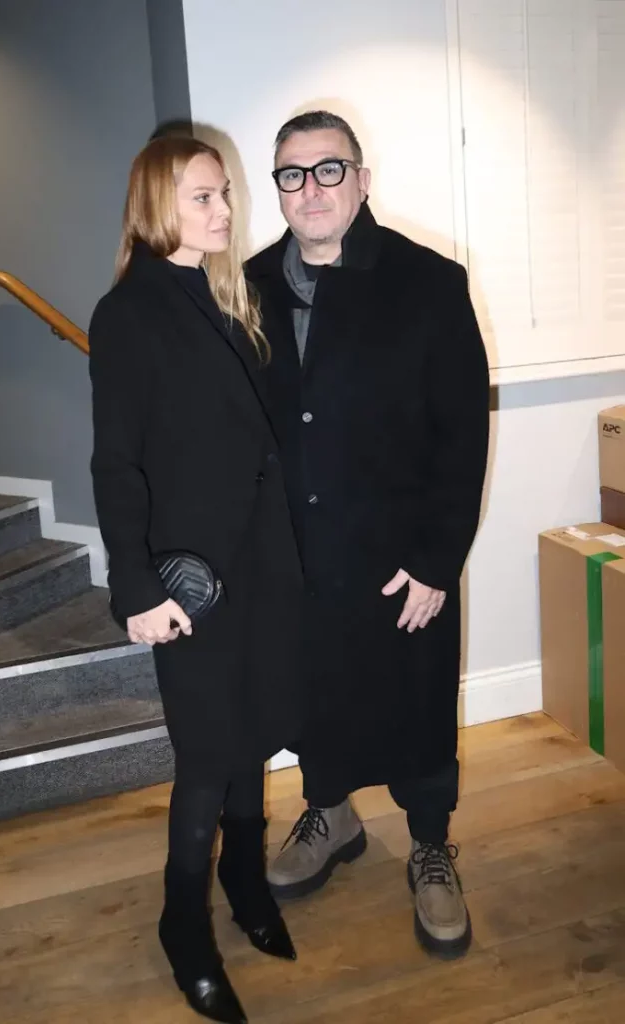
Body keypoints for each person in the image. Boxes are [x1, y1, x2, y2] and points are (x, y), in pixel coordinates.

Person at [246, 111, 490, 960]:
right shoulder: (247, 286)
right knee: (316, 694)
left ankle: (429, 845)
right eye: (292, 173)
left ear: (361, 179)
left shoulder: (430, 283)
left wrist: (436, 561)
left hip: (399, 558)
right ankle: (332, 813)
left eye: (328, 169)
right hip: (299, 557)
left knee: (417, 700)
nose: (310, 189)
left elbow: (462, 435)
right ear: (277, 188)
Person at [89, 135, 302, 1024]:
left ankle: (245, 880)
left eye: (224, 195)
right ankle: (184, 922)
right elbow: (116, 464)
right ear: (157, 206)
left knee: (251, 732)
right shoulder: (128, 313)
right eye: (204, 197)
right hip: (191, 580)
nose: (224, 211)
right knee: (208, 755)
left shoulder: (229, 293)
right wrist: (136, 589)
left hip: (261, 561)